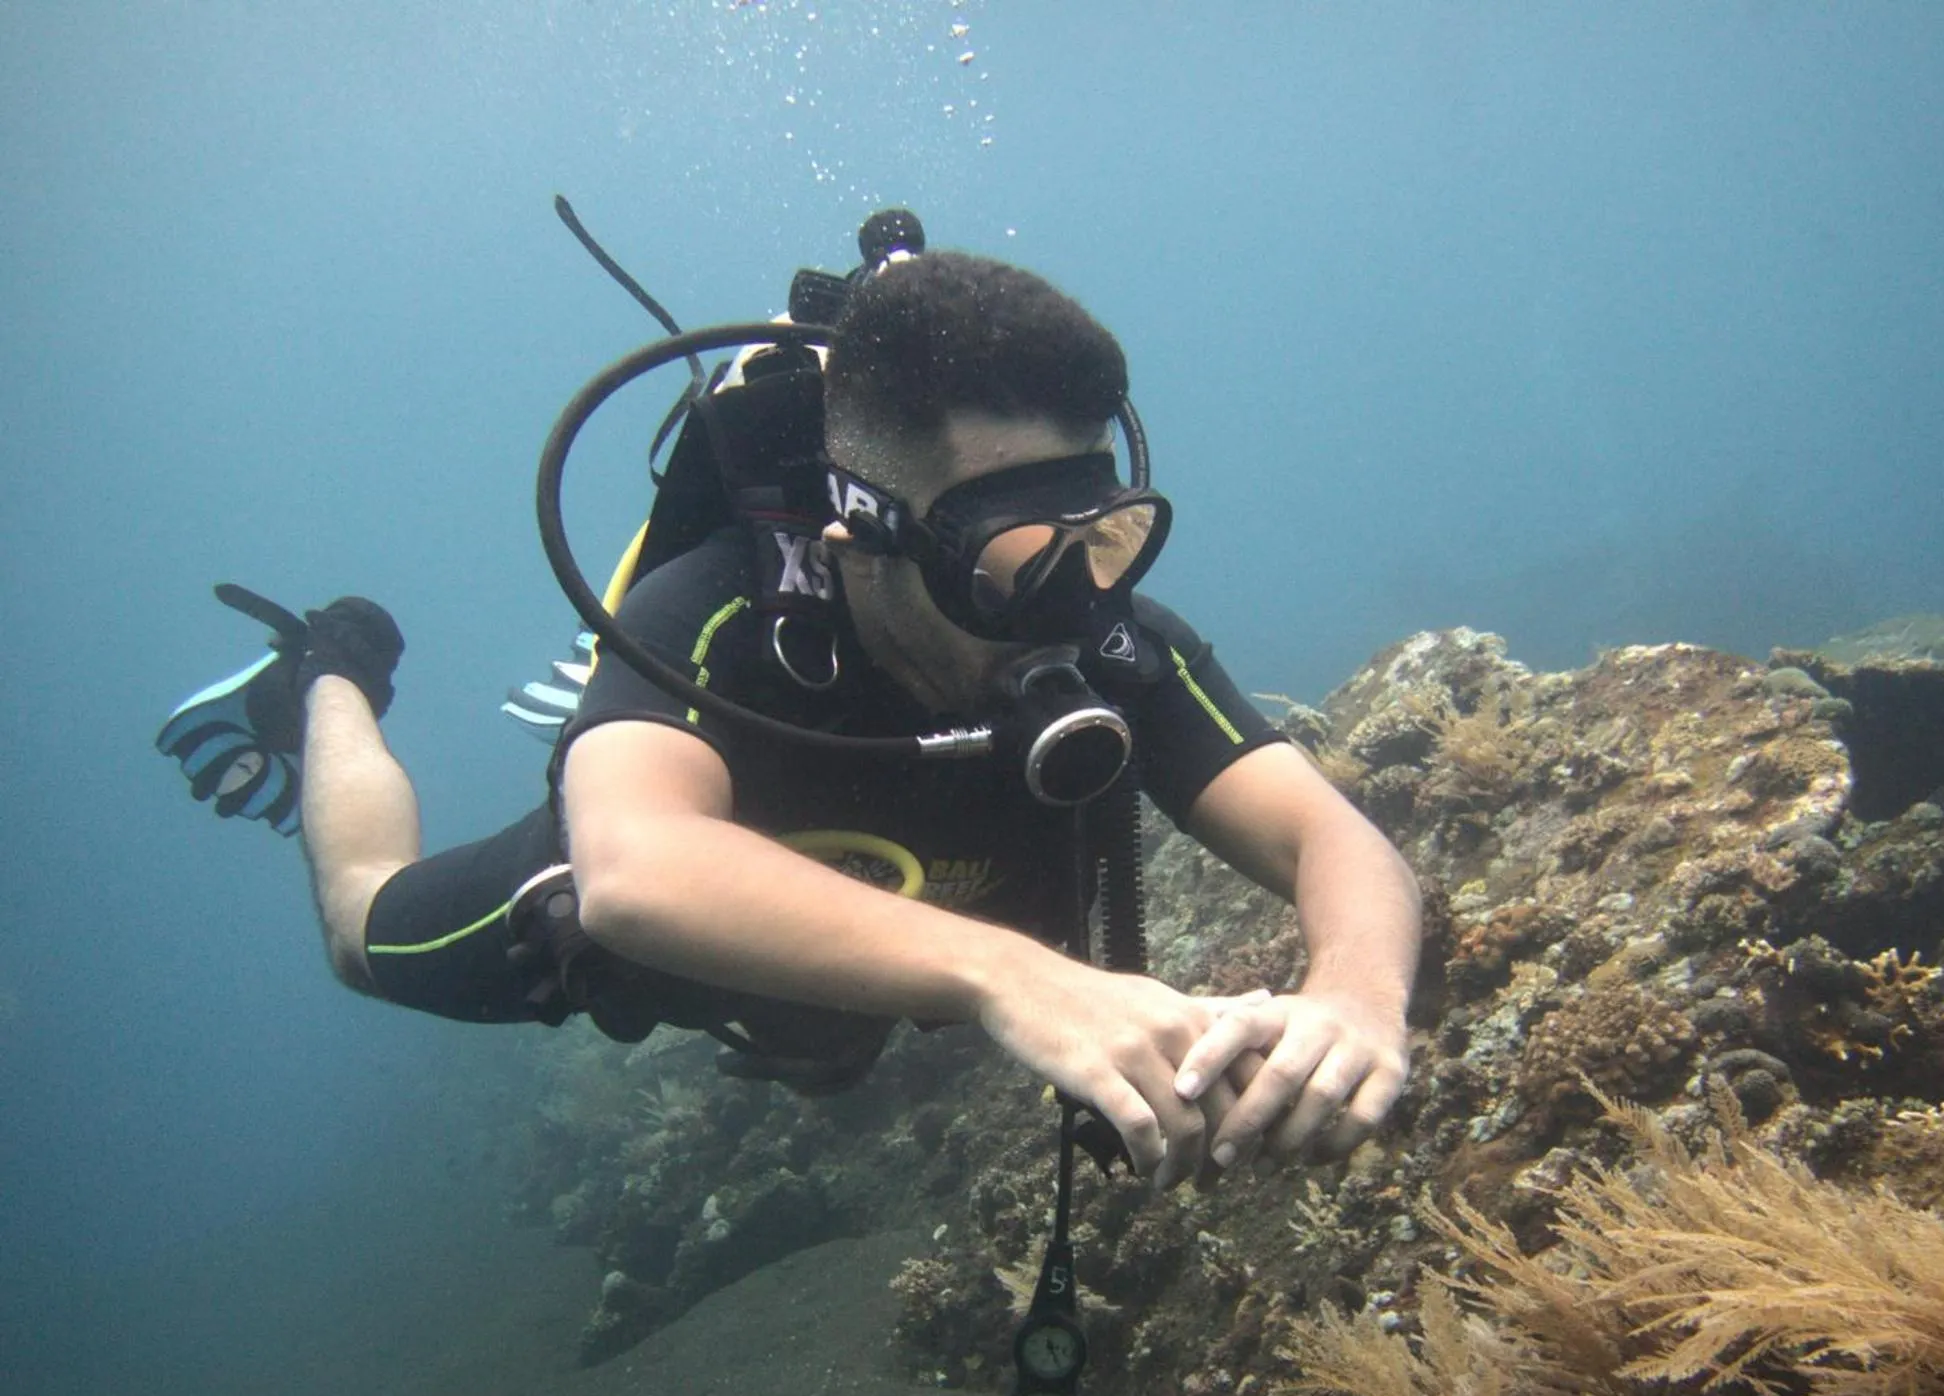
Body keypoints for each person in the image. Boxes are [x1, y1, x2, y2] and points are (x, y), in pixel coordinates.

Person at [158, 248, 1422, 1189]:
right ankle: (331, 663)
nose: (1065, 598)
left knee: (831, 1016)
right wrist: (1009, 972)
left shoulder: (1104, 632)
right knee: (361, 926)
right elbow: (635, 874)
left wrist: (1357, 998)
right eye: (1008, 555)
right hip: (666, 883)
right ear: (858, 536)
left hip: (874, 922)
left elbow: (1331, 837)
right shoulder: (711, 614)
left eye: (1099, 537)